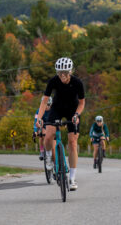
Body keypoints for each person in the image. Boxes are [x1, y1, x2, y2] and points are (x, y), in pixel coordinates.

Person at [36, 57, 84, 191]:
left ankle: (72, 178)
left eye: (65, 72)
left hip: (72, 110)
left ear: (71, 71)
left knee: (73, 142)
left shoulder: (77, 82)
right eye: (59, 72)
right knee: (48, 136)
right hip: (57, 108)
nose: (62, 75)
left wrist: (77, 115)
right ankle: (48, 156)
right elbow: (44, 101)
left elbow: (82, 103)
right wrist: (39, 118)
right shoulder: (53, 81)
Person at [33, 96, 53, 160]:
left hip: (52, 124)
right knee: (41, 134)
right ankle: (42, 151)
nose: (47, 106)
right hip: (43, 125)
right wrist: (35, 131)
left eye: (49, 105)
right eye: (45, 104)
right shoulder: (38, 111)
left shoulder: (53, 109)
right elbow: (36, 121)